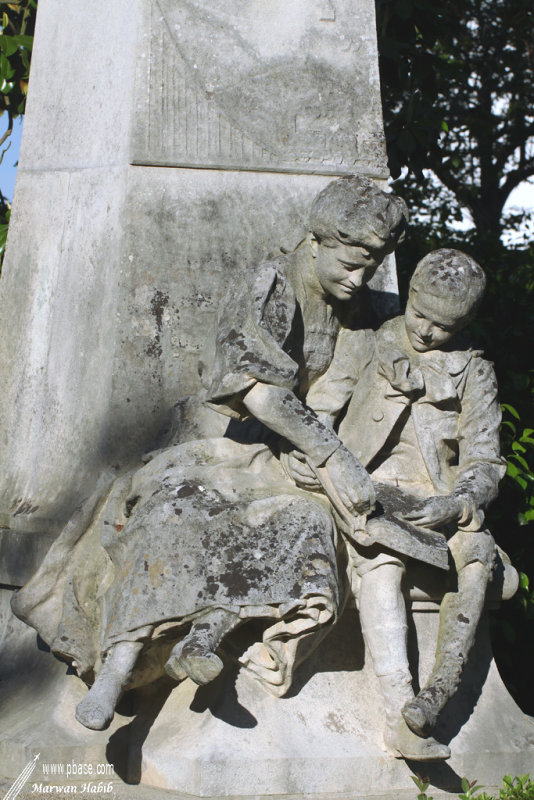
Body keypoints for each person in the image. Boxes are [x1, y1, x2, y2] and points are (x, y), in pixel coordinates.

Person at [11, 176, 408, 732]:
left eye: (372, 265)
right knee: (173, 514)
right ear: (316, 241)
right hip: (211, 447)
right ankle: (116, 667)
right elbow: (256, 389)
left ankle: (212, 639)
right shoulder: (269, 283)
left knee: (307, 522)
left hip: (278, 463)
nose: (359, 278)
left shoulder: (358, 311)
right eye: (350, 262)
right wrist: (333, 457)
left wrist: (323, 458)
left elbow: (342, 395)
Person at [303, 249, 506, 761]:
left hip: (436, 498)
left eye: (442, 327)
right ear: (409, 297)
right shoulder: (369, 339)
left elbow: (484, 459)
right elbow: (322, 410)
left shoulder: (473, 372)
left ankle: (438, 693)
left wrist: (459, 502)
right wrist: (317, 461)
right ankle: (399, 709)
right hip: (367, 486)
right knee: (381, 558)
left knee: (478, 552)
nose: (426, 333)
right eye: (420, 316)